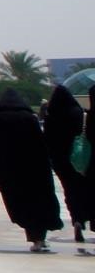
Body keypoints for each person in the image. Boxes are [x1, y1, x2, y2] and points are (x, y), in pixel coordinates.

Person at [0, 89, 62, 251]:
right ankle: (40, 237)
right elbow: (40, 143)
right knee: (38, 200)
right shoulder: (29, 117)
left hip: (11, 168)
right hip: (34, 167)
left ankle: (34, 237)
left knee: (21, 201)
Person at [44, 85, 92, 244]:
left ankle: (77, 220)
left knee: (70, 191)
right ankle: (88, 215)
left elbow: (47, 141)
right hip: (80, 160)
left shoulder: (50, 116)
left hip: (61, 162)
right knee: (85, 189)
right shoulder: (78, 113)